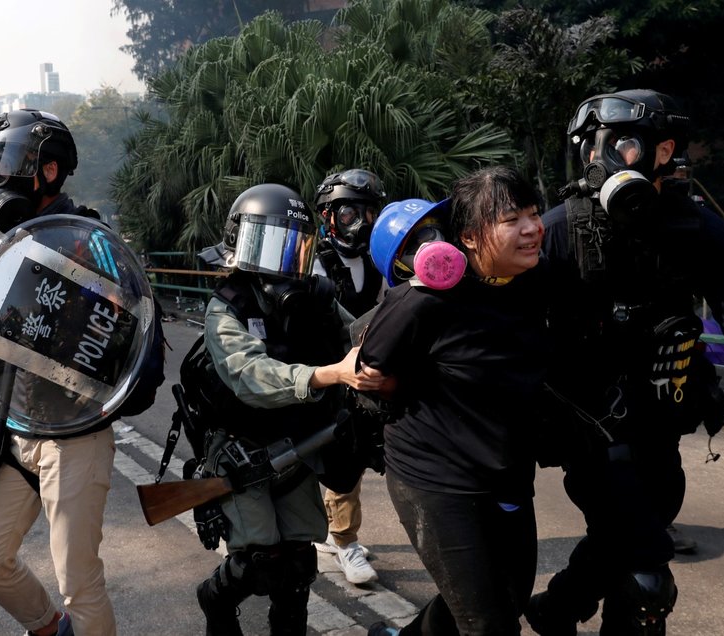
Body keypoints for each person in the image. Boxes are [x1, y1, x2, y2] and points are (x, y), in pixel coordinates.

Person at [525, 89, 724, 635]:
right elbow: (496, 327)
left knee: (631, 532)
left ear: (664, 148)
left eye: (620, 144)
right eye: (590, 148)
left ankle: (558, 608)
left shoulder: (695, 228)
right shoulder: (557, 232)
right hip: (590, 428)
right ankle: (565, 608)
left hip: (663, 422)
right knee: (645, 573)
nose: (602, 158)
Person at [0, 109, 163, 636]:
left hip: (75, 436)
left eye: (7, 163)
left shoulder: (90, 238)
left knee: (78, 582)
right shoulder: (8, 245)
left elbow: (140, 343)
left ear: (48, 171)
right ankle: (49, 628)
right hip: (19, 429)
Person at [361, 167, 550, 636]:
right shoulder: (424, 300)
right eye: (512, 219)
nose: (531, 228)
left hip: (505, 471)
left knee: (506, 595)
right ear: (468, 237)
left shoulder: (535, 282)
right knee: (486, 624)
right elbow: (369, 369)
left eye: (533, 213)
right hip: (435, 476)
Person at [194, 183, 386, 635]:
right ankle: (214, 598)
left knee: (298, 566)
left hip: (297, 443)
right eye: (270, 245)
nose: (284, 262)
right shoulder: (227, 308)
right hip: (241, 447)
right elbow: (248, 375)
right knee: (258, 561)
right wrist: (327, 375)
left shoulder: (315, 296)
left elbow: (358, 335)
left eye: (294, 248)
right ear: (241, 243)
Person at [310, 168, 387, 584]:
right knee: (343, 455)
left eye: (368, 212)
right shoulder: (313, 261)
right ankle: (343, 542)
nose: (360, 223)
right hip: (329, 373)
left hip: (370, 369)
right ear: (328, 216)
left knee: (357, 454)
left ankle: (332, 533)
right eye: (349, 213)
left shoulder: (381, 258)